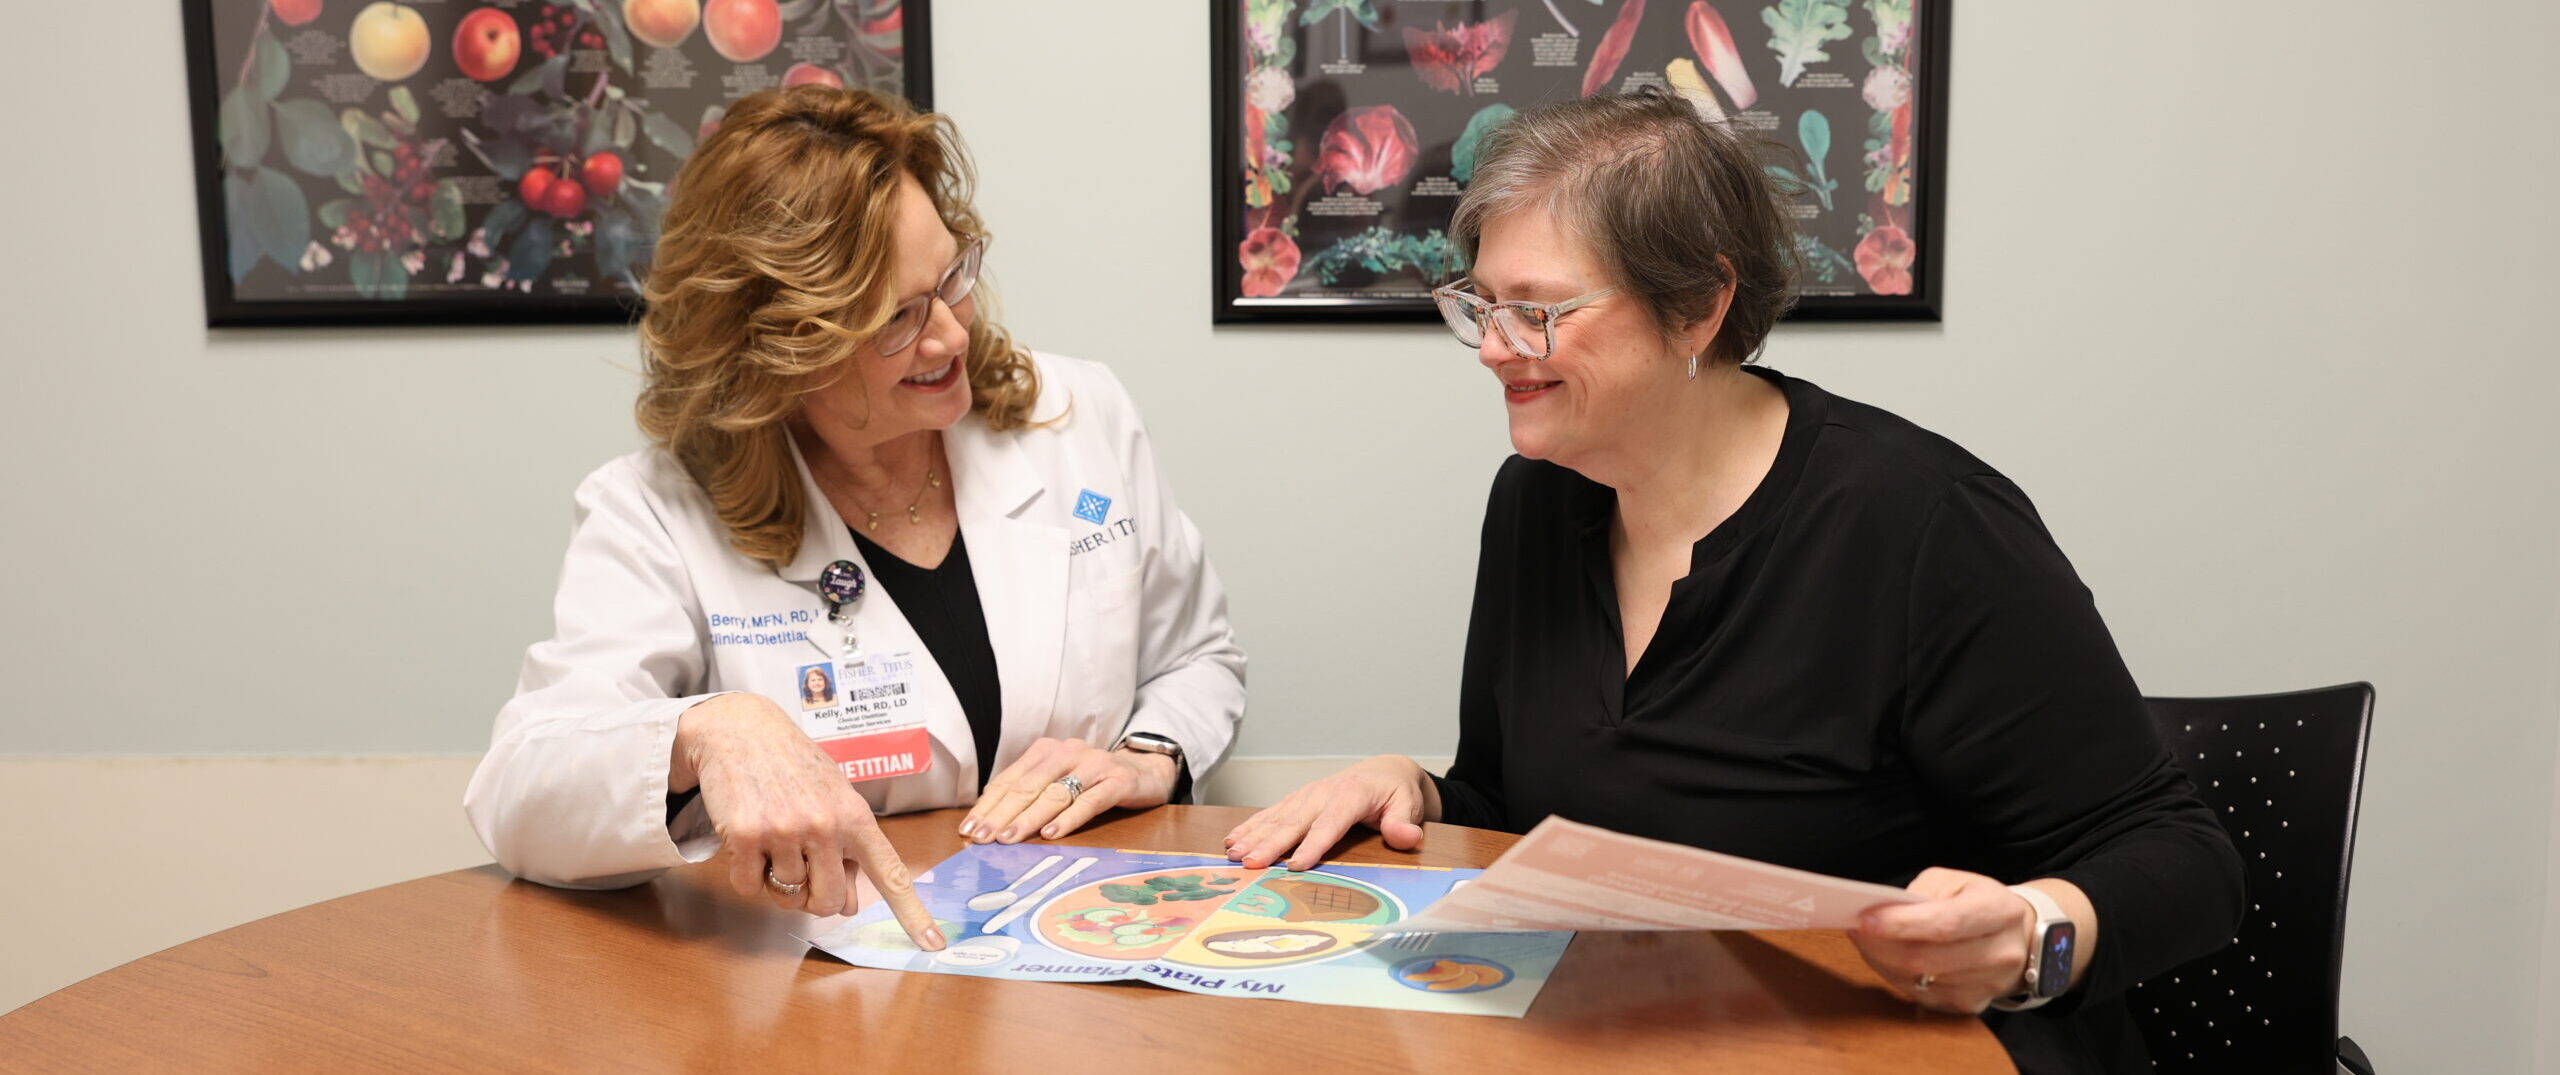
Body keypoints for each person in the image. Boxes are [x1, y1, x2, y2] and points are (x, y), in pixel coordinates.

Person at [1224, 90, 2239, 1073]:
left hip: (1905, 1045)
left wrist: (2029, 935)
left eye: (1536, 314)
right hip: (1653, 1037)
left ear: (1699, 306)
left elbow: (2186, 862)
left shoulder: (1920, 523)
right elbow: (1523, 806)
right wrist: (1419, 786)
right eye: (1481, 307)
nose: (1493, 349)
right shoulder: (1537, 500)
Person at [465, 87, 1245, 950]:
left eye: (952, 277)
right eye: (894, 319)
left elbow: (1199, 657)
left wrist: (1149, 753)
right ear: (772, 350)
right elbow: (521, 788)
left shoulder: (1078, 416)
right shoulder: (658, 510)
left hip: (1092, 949)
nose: (950, 334)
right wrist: (706, 732)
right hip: (825, 986)